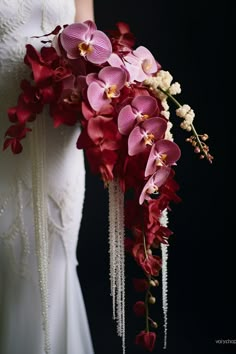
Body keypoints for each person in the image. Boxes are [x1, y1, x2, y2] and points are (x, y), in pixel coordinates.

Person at [0, 1, 95, 353]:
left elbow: (89, 36)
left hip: (59, 137)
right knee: (11, 265)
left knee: (53, 267)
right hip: (4, 135)